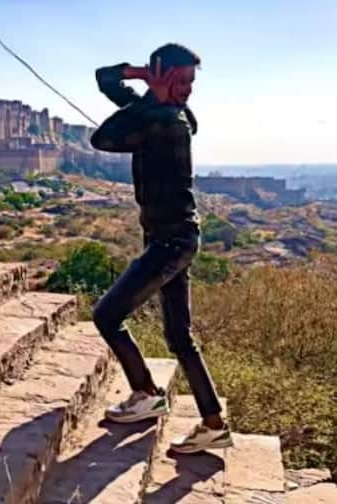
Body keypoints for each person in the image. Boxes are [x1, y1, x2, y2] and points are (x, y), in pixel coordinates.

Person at [90, 43, 232, 454]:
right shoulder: (159, 113)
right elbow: (104, 77)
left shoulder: (169, 121)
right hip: (173, 239)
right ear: (162, 74)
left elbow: (103, 138)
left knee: (107, 316)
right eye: (180, 80)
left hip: (171, 241)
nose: (188, 90)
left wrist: (153, 90)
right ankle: (213, 424)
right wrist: (138, 74)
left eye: (190, 82)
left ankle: (146, 394)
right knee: (179, 337)